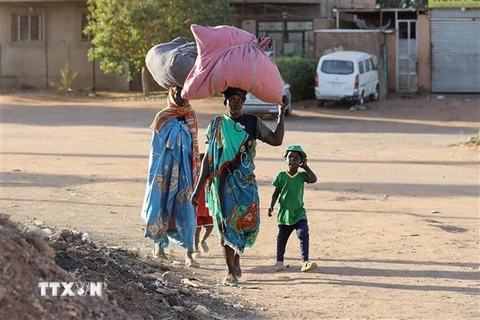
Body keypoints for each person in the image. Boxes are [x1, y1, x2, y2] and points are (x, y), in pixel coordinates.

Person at [191, 87, 289, 285]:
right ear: (225, 102)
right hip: (222, 185)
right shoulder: (217, 125)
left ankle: (236, 258)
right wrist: (198, 187)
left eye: (239, 100)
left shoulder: (253, 123)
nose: (235, 103)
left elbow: (277, 141)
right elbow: (209, 160)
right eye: (232, 100)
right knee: (226, 225)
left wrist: (281, 113)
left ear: (244, 102)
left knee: (246, 222)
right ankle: (229, 271)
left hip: (246, 183)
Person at [141, 86, 201, 268]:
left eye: (184, 92)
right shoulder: (162, 117)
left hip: (185, 172)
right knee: (160, 205)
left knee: (187, 210)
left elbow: (195, 147)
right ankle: (158, 246)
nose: (181, 96)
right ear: (171, 93)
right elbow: (155, 150)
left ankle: (190, 253)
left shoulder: (191, 117)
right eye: (177, 92)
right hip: (164, 171)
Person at [268, 145, 318, 272]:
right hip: (284, 214)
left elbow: (313, 179)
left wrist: (306, 167)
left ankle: (305, 262)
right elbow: (276, 192)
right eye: (290, 157)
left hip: (299, 213)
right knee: (282, 239)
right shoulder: (281, 175)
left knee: (303, 233)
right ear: (285, 158)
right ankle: (279, 262)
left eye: (297, 158)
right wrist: (271, 206)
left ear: (301, 161)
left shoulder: (302, 176)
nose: (293, 159)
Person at [193, 153, 214, 256]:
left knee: (210, 227)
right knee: (197, 229)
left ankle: (203, 241)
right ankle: (195, 248)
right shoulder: (196, 177)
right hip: (198, 208)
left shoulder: (209, 177)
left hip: (207, 208)